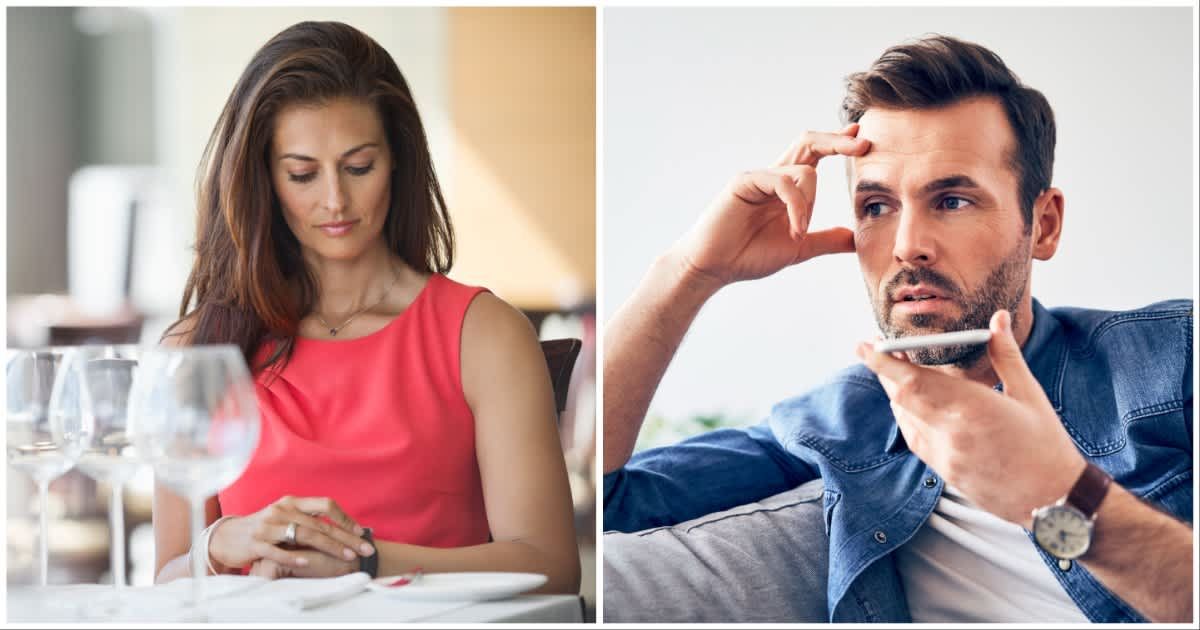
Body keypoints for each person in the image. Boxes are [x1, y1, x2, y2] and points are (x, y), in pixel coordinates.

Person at [603, 35, 1192, 622]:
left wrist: (1058, 499)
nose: (908, 246)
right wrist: (688, 271)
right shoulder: (838, 424)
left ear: (1043, 225)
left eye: (953, 200)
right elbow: (597, 504)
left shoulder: (1173, 359)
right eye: (877, 208)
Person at [152, 21, 580, 594]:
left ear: (398, 160)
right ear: (264, 180)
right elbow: (167, 579)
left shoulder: (483, 335)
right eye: (302, 174)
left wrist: (366, 562)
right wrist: (215, 545)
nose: (335, 200)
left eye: (359, 167)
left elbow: (551, 566)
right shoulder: (195, 352)